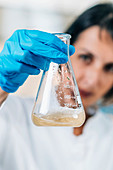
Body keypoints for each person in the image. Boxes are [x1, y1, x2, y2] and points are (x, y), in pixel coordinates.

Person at [0, 2, 113, 170]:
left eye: (109, 67)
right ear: (64, 51)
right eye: (85, 57)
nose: (93, 79)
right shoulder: (11, 114)